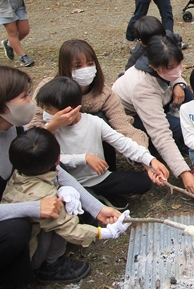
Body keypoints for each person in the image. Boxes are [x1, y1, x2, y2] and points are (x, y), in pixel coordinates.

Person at [0, 65, 120, 289]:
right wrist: (34, 208)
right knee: (16, 229)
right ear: (0, 105)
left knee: (75, 206)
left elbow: (52, 170)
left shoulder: (13, 129)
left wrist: (96, 208)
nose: (32, 102)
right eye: (25, 96)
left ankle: (45, 264)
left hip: (12, 203)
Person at [1, 128, 132, 265]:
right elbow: (70, 229)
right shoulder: (45, 198)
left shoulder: (21, 173)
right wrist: (107, 232)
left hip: (17, 245)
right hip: (30, 255)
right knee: (66, 207)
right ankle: (52, 264)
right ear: (58, 159)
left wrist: (65, 189)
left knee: (68, 197)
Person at [36, 77, 168, 211]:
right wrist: (84, 158)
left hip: (101, 177)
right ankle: (92, 197)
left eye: (48, 109)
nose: (45, 113)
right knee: (78, 205)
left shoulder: (94, 122)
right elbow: (51, 159)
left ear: (70, 110)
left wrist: (151, 160)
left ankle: (100, 193)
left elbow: (123, 143)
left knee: (144, 182)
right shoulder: (51, 130)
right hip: (71, 183)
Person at [29, 39, 148, 171]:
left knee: (101, 119)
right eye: (78, 66)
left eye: (90, 64)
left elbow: (123, 125)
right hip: (59, 156)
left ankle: (106, 169)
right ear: (65, 66)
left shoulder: (103, 93)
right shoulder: (48, 89)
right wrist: (53, 125)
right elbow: (32, 131)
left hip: (95, 155)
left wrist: (143, 155)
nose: (85, 70)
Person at [112, 36, 194, 194]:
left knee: (186, 94)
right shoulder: (142, 88)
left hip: (158, 102)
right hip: (133, 117)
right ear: (153, 66)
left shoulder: (161, 63)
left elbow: (174, 74)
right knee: (178, 128)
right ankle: (171, 146)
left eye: (179, 63)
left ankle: (191, 140)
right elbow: (160, 133)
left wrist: (178, 83)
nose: (178, 69)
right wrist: (183, 172)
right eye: (171, 67)